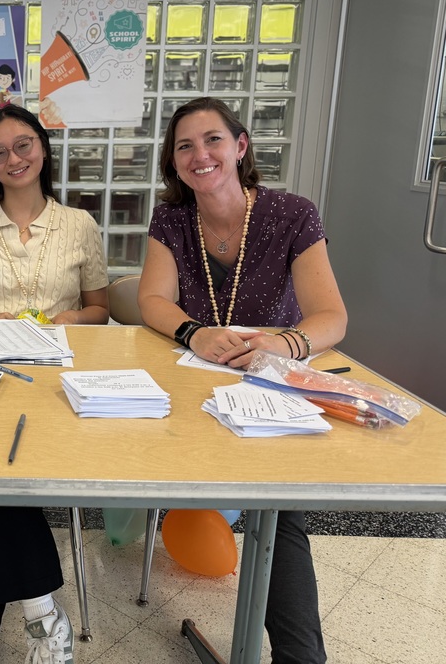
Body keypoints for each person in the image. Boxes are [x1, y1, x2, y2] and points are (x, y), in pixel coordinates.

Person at [138, 96, 348, 664]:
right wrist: (194, 333)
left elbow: (331, 316)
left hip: (264, 386)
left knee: (277, 513)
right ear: (173, 161)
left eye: (212, 140)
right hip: (189, 384)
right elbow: (151, 299)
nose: (199, 155)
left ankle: (301, 658)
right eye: (184, 146)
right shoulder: (172, 218)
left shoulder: (292, 214)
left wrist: (284, 343)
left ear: (240, 146)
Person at [0, 104, 109, 664]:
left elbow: (99, 310)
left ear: (43, 149)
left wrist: (69, 323)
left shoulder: (79, 224)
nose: (14, 158)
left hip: (57, 384)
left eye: (24, 145)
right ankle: (41, 613)